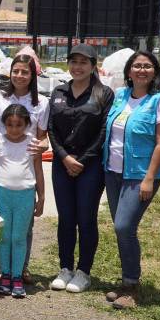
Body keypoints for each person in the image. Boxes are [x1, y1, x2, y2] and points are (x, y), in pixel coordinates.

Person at [102, 51, 160, 309]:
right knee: (122, 230)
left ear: (154, 71)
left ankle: (131, 287)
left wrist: (149, 178)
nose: (141, 70)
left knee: (124, 227)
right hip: (113, 172)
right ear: (129, 71)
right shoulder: (121, 96)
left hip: (140, 175)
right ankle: (126, 281)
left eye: (146, 66)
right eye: (136, 66)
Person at [0, 53, 49, 284]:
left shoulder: (42, 103)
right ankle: (5, 271)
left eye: (24, 72)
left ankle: (21, 269)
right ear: (10, 73)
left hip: (25, 168)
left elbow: (42, 137)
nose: (19, 75)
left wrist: (44, 145)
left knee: (23, 227)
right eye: (15, 71)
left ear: (33, 75)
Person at [48, 44, 114, 293]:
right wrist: (64, 157)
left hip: (91, 165)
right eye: (73, 61)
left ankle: (84, 271)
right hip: (61, 164)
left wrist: (82, 160)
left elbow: (104, 131)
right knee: (66, 218)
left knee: (86, 218)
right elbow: (51, 128)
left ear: (93, 65)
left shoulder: (103, 93)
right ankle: (65, 268)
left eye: (83, 62)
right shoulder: (58, 92)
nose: (77, 67)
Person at [0, 104, 45, 298]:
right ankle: (6, 275)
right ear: (4, 124)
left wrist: (41, 197)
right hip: (2, 195)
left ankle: (17, 277)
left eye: (19, 124)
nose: (14, 128)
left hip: (25, 196)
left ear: (27, 124)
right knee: (3, 237)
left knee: (19, 238)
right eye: (10, 124)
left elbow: (38, 170)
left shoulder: (33, 142)